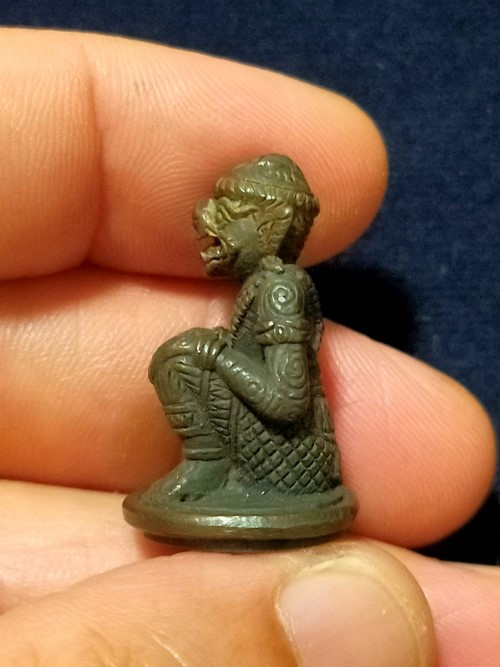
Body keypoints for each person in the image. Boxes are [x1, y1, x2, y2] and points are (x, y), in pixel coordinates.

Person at [0, 28, 497, 666]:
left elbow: (288, 401)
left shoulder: (281, 290)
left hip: (289, 462)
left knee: (185, 354)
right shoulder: (263, 286)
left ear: (268, 226)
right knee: (183, 354)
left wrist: (215, 355)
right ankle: (207, 465)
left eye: (227, 212)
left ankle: (212, 467)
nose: (206, 221)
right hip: (265, 447)